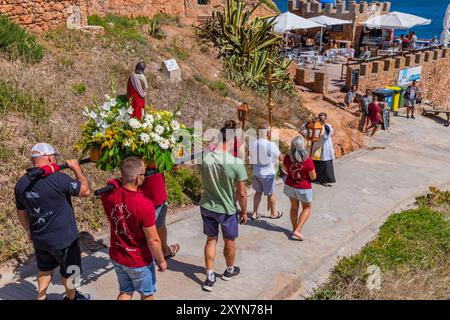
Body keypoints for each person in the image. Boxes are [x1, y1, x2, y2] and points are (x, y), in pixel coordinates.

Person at [14, 143, 91, 300]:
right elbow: (85, 191)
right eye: (54, 156)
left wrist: (29, 230)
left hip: (40, 239)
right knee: (71, 271)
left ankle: (41, 298)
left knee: (44, 269)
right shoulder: (58, 178)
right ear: (49, 158)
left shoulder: (21, 184)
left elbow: (21, 212)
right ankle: (72, 297)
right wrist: (76, 168)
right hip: (65, 241)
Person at [100, 157, 167, 300]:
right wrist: (161, 260)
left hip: (118, 256)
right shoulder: (145, 205)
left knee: (126, 291)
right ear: (137, 178)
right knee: (147, 294)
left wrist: (115, 182)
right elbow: (153, 240)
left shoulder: (108, 196)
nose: (145, 176)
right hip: (138, 261)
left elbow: (112, 184)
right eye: (143, 174)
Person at [198, 126, 248, 292]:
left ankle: (209, 277)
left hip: (207, 205)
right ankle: (229, 270)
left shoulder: (205, 158)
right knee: (229, 241)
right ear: (233, 140)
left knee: (211, 240)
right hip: (226, 209)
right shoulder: (236, 163)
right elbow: (241, 193)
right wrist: (245, 211)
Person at [140, 164, 180, 260]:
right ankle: (164, 251)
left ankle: (145, 252)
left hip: (135, 189)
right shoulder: (159, 150)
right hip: (155, 188)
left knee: (141, 224)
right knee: (159, 224)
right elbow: (175, 166)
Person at [283, 136, 316, 241]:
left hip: (290, 185)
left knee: (294, 207)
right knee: (307, 207)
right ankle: (298, 230)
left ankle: (294, 229)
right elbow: (313, 176)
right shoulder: (307, 160)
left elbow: (285, 170)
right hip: (303, 187)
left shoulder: (288, 158)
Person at [249, 122, 282, 220]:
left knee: (258, 192)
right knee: (270, 193)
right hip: (268, 173)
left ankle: (254, 213)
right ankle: (273, 213)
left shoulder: (253, 143)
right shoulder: (271, 145)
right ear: (268, 133)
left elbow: (251, 156)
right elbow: (280, 157)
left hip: (257, 171)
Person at [312, 113, 336, 187]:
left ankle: (324, 180)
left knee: (326, 164)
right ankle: (314, 178)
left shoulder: (328, 126)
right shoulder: (316, 125)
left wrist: (324, 124)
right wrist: (313, 122)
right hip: (317, 146)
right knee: (316, 163)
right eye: (320, 118)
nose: (321, 120)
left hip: (325, 148)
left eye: (323, 118)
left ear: (325, 119)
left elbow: (329, 133)